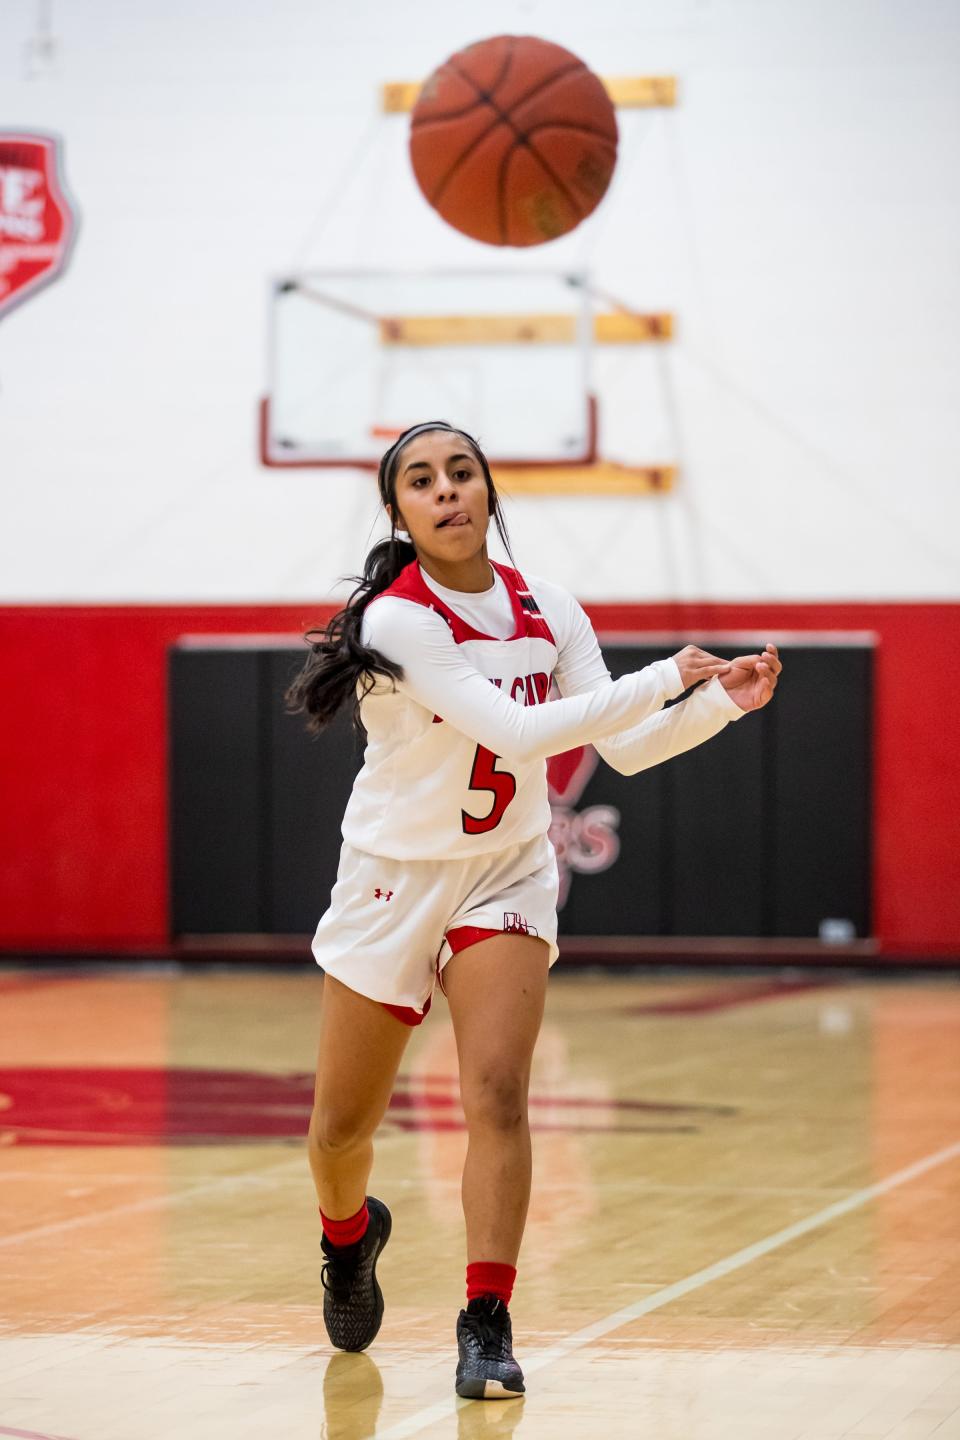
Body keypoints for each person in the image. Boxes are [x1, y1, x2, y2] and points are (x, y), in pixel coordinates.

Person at [285, 421, 781, 1401]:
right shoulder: (397, 620)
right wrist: (668, 676)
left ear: (487, 488)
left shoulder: (550, 609)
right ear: (401, 513)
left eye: (461, 472)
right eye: (421, 481)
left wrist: (719, 704)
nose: (447, 491)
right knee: (341, 1133)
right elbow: (517, 729)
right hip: (392, 879)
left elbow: (625, 747)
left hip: (504, 871)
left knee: (501, 1093)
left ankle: (486, 1322)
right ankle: (348, 1239)